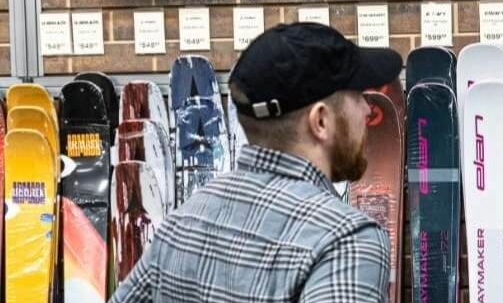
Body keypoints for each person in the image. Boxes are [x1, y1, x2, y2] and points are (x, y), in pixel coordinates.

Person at [111, 22, 402, 303]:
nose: (367, 108)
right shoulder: (344, 242)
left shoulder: (183, 222)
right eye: (357, 95)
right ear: (321, 120)